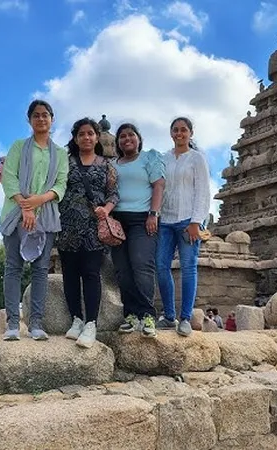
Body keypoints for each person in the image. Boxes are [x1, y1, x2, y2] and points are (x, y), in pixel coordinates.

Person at [0, 99, 69, 341]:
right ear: (29, 120)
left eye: (45, 115)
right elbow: (9, 178)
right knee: (13, 267)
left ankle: (36, 322)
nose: (41, 119)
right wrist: (25, 206)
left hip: (46, 214)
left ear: (52, 119)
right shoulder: (19, 147)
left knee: (40, 270)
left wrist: (38, 201)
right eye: (36, 115)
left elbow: (61, 185)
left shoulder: (59, 153)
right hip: (16, 213)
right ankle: (13, 324)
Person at [59, 118, 119, 349]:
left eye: (90, 133)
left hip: (94, 226)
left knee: (92, 273)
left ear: (97, 137)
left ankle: (91, 323)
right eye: (81, 134)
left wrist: (106, 209)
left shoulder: (106, 165)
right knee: (70, 274)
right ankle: (76, 318)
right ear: (75, 138)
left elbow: (113, 194)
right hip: (68, 225)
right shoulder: (66, 163)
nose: (86, 137)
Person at [156, 117, 211, 337]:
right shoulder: (163, 158)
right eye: (176, 130)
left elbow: (203, 192)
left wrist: (196, 222)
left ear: (190, 133)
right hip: (166, 221)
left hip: (189, 219)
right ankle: (170, 316)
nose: (179, 134)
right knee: (161, 266)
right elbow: (158, 188)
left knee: (189, 268)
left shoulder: (197, 159)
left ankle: (185, 317)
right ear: (171, 133)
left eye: (184, 130)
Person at [111, 123, 165, 338]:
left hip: (143, 219)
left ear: (138, 138)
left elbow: (159, 185)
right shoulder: (112, 164)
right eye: (122, 136)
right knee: (122, 270)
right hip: (117, 221)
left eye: (131, 135)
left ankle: (147, 314)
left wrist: (154, 213)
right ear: (118, 142)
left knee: (142, 265)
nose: (127, 139)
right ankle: (131, 314)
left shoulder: (149, 157)